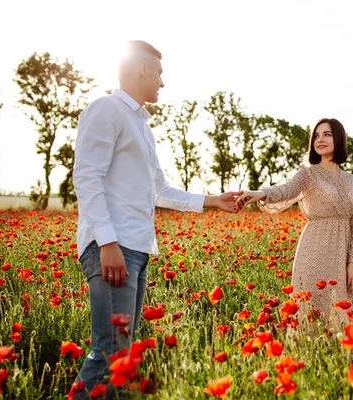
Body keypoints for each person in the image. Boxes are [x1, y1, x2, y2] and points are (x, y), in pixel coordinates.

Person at [72, 40, 242, 397]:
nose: (162, 83)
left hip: (135, 248)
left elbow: (160, 191)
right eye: (160, 73)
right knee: (109, 354)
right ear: (143, 68)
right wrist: (107, 242)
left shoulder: (142, 127)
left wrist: (213, 201)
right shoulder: (106, 110)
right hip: (114, 247)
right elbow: (86, 177)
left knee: (123, 356)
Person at [237, 118, 353, 350]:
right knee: (312, 312)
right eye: (316, 136)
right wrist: (259, 193)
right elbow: (284, 190)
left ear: (339, 139)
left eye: (327, 135)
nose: (319, 140)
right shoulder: (308, 175)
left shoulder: (351, 180)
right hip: (314, 251)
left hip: (342, 254)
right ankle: (314, 364)